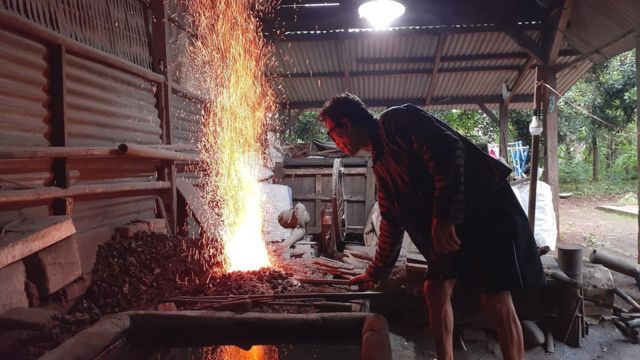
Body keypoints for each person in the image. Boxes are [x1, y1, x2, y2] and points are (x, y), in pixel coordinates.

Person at [318, 93, 545, 360]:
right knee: (435, 290)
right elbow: (391, 219)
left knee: (495, 298)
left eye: (332, 134)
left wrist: (445, 217)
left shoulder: (395, 120)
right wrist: (377, 270)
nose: (335, 142)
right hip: (453, 223)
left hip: (485, 210)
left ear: (345, 124)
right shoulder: (381, 162)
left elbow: (448, 148)